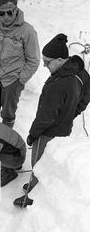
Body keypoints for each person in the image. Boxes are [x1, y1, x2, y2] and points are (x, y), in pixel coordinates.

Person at [24, 33, 90, 192]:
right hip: (64, 128)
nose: (45, 66)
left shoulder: (59, 84)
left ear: (60, 60)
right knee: (52, 160)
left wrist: (33, 135)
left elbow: (46, 116)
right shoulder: (79, 71)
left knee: (39, 163)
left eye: (47, 62)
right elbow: (86, 94)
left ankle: (33, 193)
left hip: (48, 131)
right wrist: (70, 115)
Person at [0, 0, 40, 128]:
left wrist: (20, 80)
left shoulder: (28, 31)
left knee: (8, 114)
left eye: (9, 13)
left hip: (12, 80)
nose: (5, 17)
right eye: (2, 13)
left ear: (16, 10)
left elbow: (34, 60)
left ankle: (4, 142)